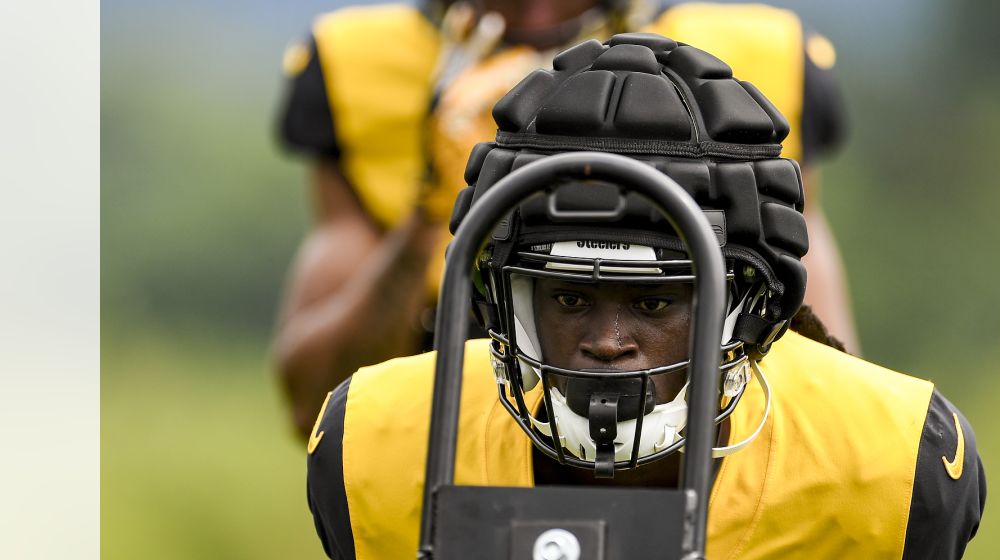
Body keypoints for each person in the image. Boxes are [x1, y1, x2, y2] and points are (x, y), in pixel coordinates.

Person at [305, 35, 986, 560]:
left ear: (745, 305)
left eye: (654, 301)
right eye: (570, 298)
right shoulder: (391, 446)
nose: (607, 343)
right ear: (506, 300)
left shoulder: (876, 473)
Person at [273, 0, 860, 439]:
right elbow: (316, 410)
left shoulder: (762, 51)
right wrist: (433, 208)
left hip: (698, 459)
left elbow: (828, 390)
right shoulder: (360, 65)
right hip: (463, 460)